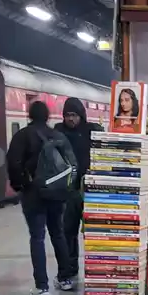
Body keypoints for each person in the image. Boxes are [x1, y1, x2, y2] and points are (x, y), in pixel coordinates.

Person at [7, 100, 77, 295]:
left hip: (34, 194)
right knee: (58, 234)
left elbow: (13, 163)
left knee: (37, 237)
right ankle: (65, 279)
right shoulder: (57, 135)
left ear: (29, 115)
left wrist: (20, 185)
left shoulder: (22, 136)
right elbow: (72, 164)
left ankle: (42, 286)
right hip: (57, 193)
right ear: (48, 116)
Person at [54, 97, 102, 266]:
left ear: (81, 115)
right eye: (67, 115)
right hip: (68, 191)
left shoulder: (91, 131)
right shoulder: (58, 132)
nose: (71, 119)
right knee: (68, 232)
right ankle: (70, 268)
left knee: (94, 232)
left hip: (89, 189)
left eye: (74, 115)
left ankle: (95, 266)